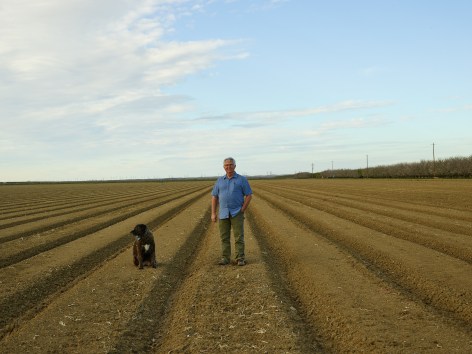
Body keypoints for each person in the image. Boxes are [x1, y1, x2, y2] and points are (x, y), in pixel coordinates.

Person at [211, 157, 253, 266]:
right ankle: (225, 258)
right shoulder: (220, 180)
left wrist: (243, 209)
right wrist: (213, 213)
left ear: (235, 166)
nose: (228, 167)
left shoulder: (241, 179)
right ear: (223, 167)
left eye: (230, 165)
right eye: (226, 165)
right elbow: (214, 197)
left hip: (236, 212)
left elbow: (249, 195)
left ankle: (240, 258)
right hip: (223, 213)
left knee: (239, 236)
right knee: (224, 237)